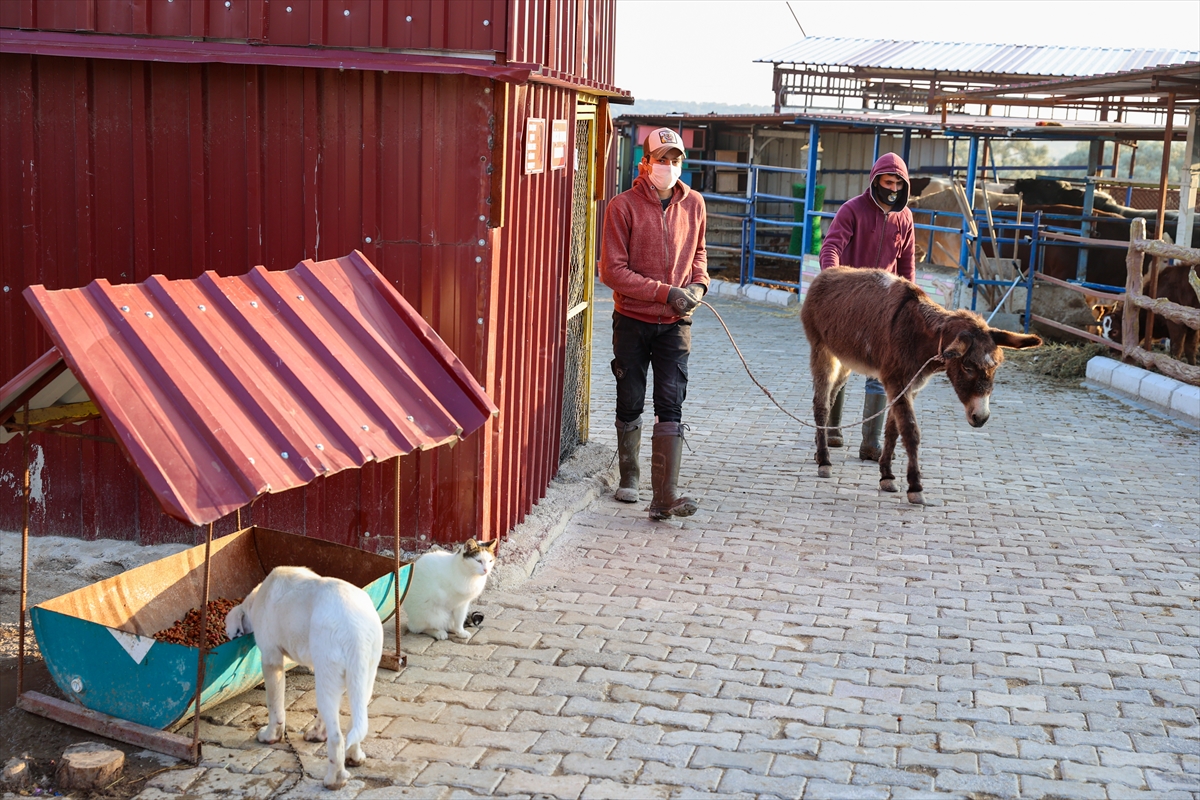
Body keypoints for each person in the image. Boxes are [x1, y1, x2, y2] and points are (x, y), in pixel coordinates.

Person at [598, 127, 709, 520]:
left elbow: (699, 254)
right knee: (630, 395)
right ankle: (630, 476)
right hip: (631, 319)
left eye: (675, 159)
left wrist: (697, 286)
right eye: (662, 159)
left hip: (676, 323)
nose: (669, 166)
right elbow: (612, 271)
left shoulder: (694, 204)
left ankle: (665, 495)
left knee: (671, 400)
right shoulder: (621, 206)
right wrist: (665, 292)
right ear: (645, 163)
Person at [817, 152, 915, 461]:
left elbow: (907, 265)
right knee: (841, 365)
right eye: (888, 182)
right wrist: (833, 280)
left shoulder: (905, 217)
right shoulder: (852, 210)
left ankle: (870, 442)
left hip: (885, 307)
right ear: (875, 181)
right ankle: (831, 428)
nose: (893, 188)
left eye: (899, 184)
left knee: (881, 372)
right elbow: (831, 245)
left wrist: (910, 303)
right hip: (850, 302)